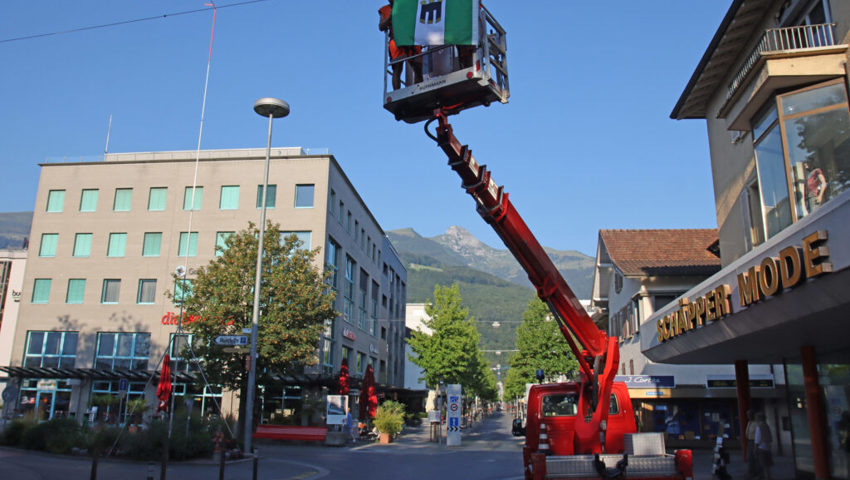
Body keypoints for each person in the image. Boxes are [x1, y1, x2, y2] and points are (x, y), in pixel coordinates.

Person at [379, 0, 422, 90]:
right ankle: (397, 92)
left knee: (418, 67)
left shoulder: (408, 6)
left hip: (410, 38)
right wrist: (390, 16)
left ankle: (418, 89)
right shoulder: (385, 10)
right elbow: (381, 27)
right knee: (397, 69)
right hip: (396, 39)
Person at [754, 412, 772, 480]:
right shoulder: (766, 425)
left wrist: (755, 448)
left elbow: (757, 439)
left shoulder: (759, 427)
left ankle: (766, 477)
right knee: (767, 465)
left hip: (761, 447)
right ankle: (768, 476)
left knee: (763, 465)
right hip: (768, 447)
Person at [746, 409, 759, 479]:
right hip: (749, 441)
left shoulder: (756, 423)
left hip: (754, 441)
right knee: (750, 458)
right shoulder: (749, 422)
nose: (748, 416)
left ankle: (755, 473)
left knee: (754, 458)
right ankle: (751, 472)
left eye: (749, 415)